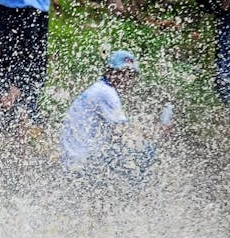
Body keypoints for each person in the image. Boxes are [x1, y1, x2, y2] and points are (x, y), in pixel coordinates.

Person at [59, 49, 163, 178]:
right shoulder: (107, 93)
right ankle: (134, 195)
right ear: (108, 72)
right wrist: (152, 134)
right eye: (121, 73)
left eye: (131, 76)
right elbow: (123, 133)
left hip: (73, 159)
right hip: (83, 162)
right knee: (146, 150)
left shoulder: (98, 88)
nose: (126, 80)